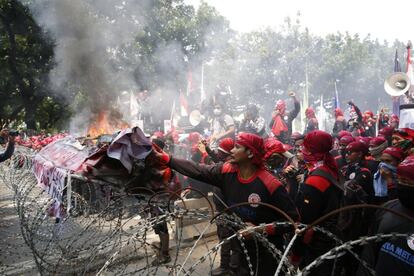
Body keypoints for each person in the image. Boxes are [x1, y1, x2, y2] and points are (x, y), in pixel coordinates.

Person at [152, 132, 299, 276]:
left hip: (267, 255)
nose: (232, 150)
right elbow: (197, 170)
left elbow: (293, 221)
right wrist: (167, 159)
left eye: (237, 147)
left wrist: (260, 229)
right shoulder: (226, 171)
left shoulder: (270, 184)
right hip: (242, 251)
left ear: (249, 153)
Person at [294, 130, 343, 276]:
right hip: (331, 239)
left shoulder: (315, 180)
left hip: (316, 246)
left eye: (304, 148)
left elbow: (305, 222)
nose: (301, 150)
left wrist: (296, 254)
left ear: (311, 151)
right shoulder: (330, 168)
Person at [356, 156, 414, 276]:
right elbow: (369, 254)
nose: (403, 186)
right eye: (401, 181)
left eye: (409, 182)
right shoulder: (388, 208)